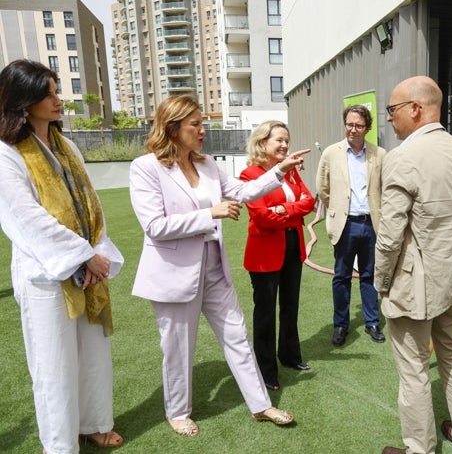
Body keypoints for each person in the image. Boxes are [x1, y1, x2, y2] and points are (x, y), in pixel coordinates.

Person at [129, 95, 308, 436]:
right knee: (178, 347)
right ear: (173, 127)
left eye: (202, 124)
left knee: (237, 336)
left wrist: (278, 171)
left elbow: (243, 191)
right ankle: (178, 411)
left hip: (213, 267)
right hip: (174, 273)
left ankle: (260, 405)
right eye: (195, 124)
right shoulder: (146, 167)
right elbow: (155, 227)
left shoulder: (208, 164)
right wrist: (209, 213)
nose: (202, 130)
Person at [0, 59, 124, 453]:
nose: (59, 99)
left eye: (56, 90)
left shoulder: (66, 146)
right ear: (23, 99)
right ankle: (60, 444)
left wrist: (96, 256)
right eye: (49, 92)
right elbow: (25, 218)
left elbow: (90, 205)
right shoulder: (6, 153)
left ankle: (93, 424)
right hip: (45, 274)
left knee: (93, 353)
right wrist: (83, 256)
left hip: (85, 268)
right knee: (54, 365)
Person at [375, 76, 452, 454]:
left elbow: (389, 237)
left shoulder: (402, 158)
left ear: (415, 109)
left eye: (392, 110)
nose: (389, 119)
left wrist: (381, 282)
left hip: (416, 283)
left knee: (414, 369)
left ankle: (420, 449)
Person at [240, 120, 315, 391]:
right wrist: (290, 210)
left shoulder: (291, 171)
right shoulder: (250, 174)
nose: (284, 145)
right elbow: (263, 218)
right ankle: (266, 370)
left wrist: (285, 210)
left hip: (293, 246)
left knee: (290, 306)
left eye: (287, 140)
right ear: (263, 143)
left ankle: (290, 355)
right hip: (264, 253)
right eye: (278, 141)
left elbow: (310, 201)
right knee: (265, 314)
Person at [316, 104, 386, 346]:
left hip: (371, 225)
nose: (353, 129)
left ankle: (372, 322)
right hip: (344, 225)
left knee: (369, 275)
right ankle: (341, 325)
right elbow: (323, 188)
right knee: (342, 276)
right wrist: (336, 210)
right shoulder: (331, 153)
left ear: (367, 128)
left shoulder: (380, 154)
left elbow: (384, 189)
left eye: (358, 125)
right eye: (349, 124)